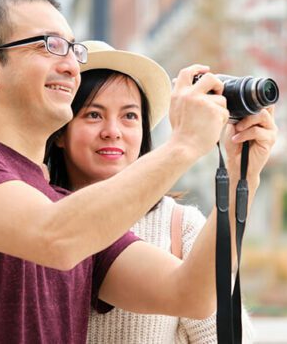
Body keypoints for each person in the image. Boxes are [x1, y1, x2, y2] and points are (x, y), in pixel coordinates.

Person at [0, 0, 276, 343]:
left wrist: (244, 174)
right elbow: (53, 237)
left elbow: (190, 294)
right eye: (49, 46)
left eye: (73, 50)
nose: (71, 66)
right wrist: (184, 144)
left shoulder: (66, 206)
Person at [44, 41, 258, 343]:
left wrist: (244, 174)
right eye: (93, 115)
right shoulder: (36, 218)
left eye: (130, 116)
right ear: (60, 133)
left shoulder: (181, 228)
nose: (112, 131)